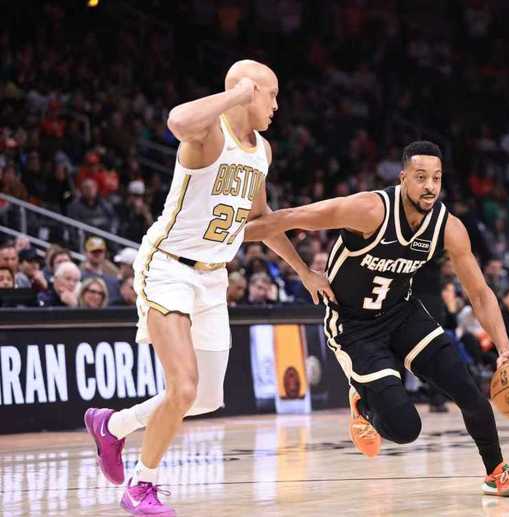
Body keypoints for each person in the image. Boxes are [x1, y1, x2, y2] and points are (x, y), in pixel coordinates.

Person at [83, 60, 333, 516]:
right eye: (272, 94)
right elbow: (176, 121)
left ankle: (112, 426)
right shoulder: (209, 134)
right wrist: (236, 94)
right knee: (182, 387)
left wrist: (302, 270)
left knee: (204, 398)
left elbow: (260, 221)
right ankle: (141, 484)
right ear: (248, 90)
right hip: (169, 267)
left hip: (214, 276)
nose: (277, 105)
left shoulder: (262, 150)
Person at [246, 141, 509, 497]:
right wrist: (230, 241)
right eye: (421, 177)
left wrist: (504, 348)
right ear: (403, 178)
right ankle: (362, 403)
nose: (429, 186)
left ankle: (497, 472)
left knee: (470, 392)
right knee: (405, 428)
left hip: (402, 314)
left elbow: (479, 293)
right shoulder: (369, 210)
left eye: (436, 178)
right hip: (354, 326)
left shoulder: (448, 227)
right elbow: (288, 218)